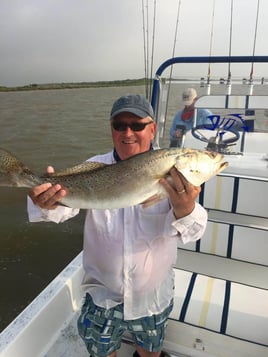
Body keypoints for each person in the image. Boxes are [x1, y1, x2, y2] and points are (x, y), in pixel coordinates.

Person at [27, 94, 208, 357]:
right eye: (119, 125)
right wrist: (45, 202)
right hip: (102, 297)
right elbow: (60, 212)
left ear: (153, 128)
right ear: (111, 128)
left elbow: (194, 231)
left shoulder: (173, 171)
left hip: (152, 299)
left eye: (137, 125)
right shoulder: (95, 167)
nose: (128, 133)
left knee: (150, 351)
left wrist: (185, 208)